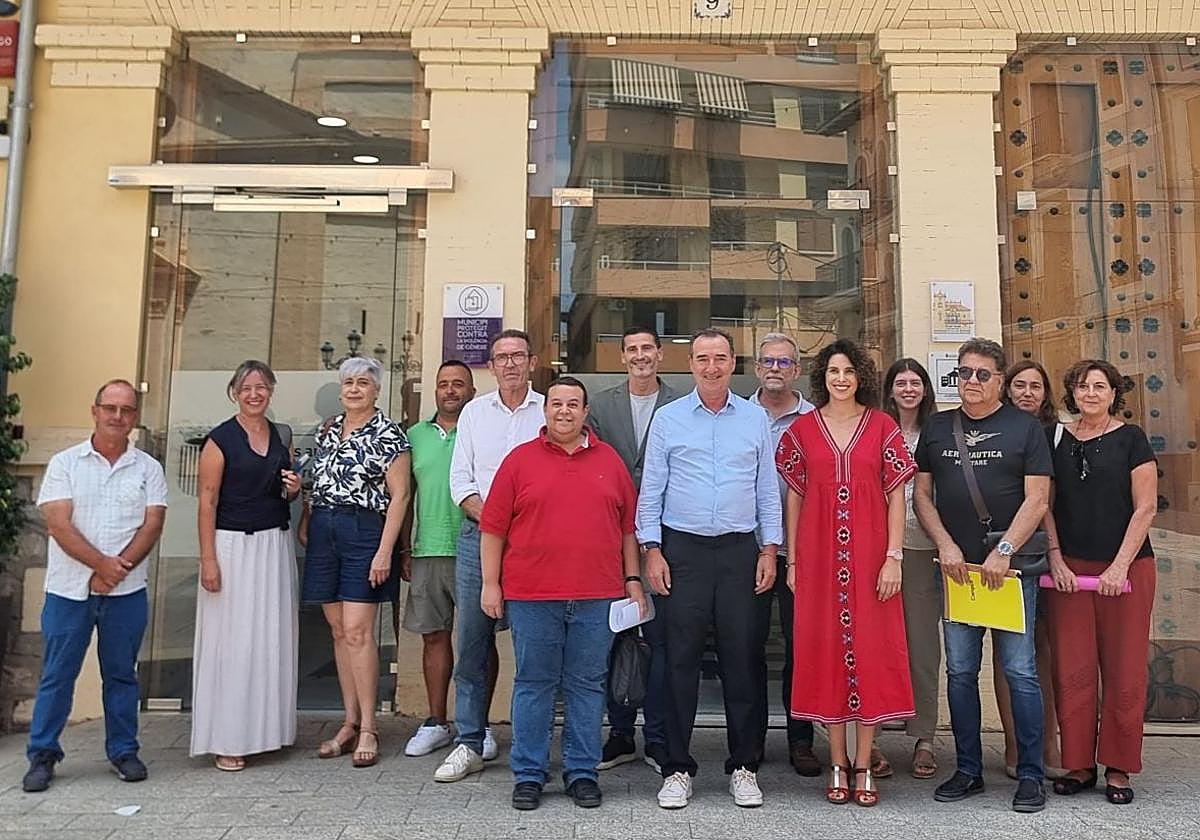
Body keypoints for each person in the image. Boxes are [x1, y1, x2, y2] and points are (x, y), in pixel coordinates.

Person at [480, 377, 649, 811]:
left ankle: (581, 772)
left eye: (574, 404)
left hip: (598, 595)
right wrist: (490, 584)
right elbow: (493, 529)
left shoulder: (609, 461)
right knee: (534, 684)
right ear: (546, 410)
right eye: (557, 403)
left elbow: (628, 529)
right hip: (533, 595)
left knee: (587, 686)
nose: (564, 411)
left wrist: (633, 581)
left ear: (586, 412)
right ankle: (530, 774)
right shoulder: (519, 462)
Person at [637, 327, 782, 810]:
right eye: (702, 358)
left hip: (741, 551)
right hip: (683, 552)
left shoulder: (755, 419)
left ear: (732, 362)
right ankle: (678, 768)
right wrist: (652, 549)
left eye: (720, 358)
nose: (712, 366)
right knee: (679, 660)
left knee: (744, 659)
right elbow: (651, 489)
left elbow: (766, 489)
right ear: (691, 363)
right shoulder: (670, 418)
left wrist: (769, 550)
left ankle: (744, 765)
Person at [914, 337, 1052, 814]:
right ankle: (968, 769)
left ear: (999, 381)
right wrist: (946, 545)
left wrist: (1006, 550)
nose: (970, 382)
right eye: (963, 373)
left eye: (981, 375)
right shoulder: (936, 427)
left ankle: (1031, 775)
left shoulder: (1025, 428)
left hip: (1008, 572)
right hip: (958, 572)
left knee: (1020, 670)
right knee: (960, 671)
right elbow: (922, 496)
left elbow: (1037, 499)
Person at [776, 339, 916, 807]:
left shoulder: (882, 427)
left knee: (873, 654)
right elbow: (794, 497)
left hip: (872, 559)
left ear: (861, 377)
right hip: (817, 561)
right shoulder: (802, 430)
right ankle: (835, 760)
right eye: (833, 371)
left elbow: (897, 494)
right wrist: (793, 561)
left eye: (849, 371)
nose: (841, 379)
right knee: (826, 656)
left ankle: (864, 760)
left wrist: (893, 556)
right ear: (822, 377)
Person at [22, 379, 168, 793]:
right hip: (69, 590)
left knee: (122, 675)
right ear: (95, 410)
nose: (118, 417)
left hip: (126, 591)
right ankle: (43, 755)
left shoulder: (147, 468)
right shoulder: (65, 463)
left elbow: (152, 523)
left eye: (126, 410)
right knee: (57, 675)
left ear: (135, 417)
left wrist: (116, 571)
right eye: (110, 408)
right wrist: (100, 565)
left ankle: (123, 751)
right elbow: (58, 523)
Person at [1043, 360, 1157, 805]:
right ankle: (1078, 764)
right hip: (1069, 570)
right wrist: (1055, 559)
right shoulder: (1056, 439)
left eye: (1099, 386)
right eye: (1082, 386)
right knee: (1071, 668)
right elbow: (1045, 504)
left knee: (1125, 669)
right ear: (1072, 392)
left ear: (1114, 393)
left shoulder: (1132, 439)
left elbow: (1144, 508)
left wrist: (1118, 567)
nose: (1090, 393)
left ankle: (1119, 766)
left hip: (1127, 570)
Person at [436, 329, 544, 782]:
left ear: (532, 363)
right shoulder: (476, 413)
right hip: (479, 539)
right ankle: (470, 741)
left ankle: (530, 747)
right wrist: (498, 522)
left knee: (531, 646)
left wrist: (522, 527)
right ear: (492, 366)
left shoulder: (549, 409)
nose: (511, 364)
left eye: (518, 356)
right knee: (473, 646)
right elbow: (461, 482)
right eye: (502, 357)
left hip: (537, 545)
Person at [191, 361, 301, 771]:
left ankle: (267, 733)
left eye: (261, 387)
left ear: (270, 391)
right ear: (234, 391)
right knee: (232, 644)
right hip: (232, 547)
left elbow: (282, 490)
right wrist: (208, 559)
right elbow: (207, 501)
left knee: (269, 639)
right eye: (246, 387)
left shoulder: (279, 435)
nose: (254, 394)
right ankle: (227, 739)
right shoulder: (219, 440)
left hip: (273, 545)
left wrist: (293, 491)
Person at [303, 356, 411, 769]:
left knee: (358, 631)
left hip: (365, 531)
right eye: (348, 382)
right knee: (337, 629)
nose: (353, 389)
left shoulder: (390, 435)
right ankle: (348, 722)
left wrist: (385, 550)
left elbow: (400, 496)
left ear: (376, 389)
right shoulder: (328, 428)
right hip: (325, 528)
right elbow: (319, 479)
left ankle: (370, 726)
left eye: (362, 382)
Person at [587, 326, 680, 773]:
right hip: (610, 538)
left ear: (660, 355)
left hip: (667, 540)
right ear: (622, 356)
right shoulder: (600, 405)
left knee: (659, 641)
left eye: (648, 348)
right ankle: (620, 732)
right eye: (632, 350)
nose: (641, 355)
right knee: (615, 636)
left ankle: (659, 737)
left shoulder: (682, 404)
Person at [747, 332, 821, 777]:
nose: (775, 369)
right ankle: (750, 738)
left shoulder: (815, 419)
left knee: (802, 647)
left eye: (785, 362)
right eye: (768, 362)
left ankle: (801, 739)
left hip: (803, 553)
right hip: (749, 549)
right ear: (757, 368)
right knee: (747, 648)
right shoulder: (736, 414)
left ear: (797, 370)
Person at [399, 360, 476, 757]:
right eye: (443, 384)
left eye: (458, 384)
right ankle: (435, 721)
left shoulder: (481, 430)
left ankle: (474, 725)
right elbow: (403, 497)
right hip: (428, 549)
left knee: (477, 640)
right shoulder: (413, 437)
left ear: (472, 391)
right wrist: (404, 547)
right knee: (434, 636)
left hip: (474, 547)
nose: (450, 391)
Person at [997, 360, 1065, 780]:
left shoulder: (1059, 436)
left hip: (1051, 554)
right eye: (1018, 385)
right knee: (1009, 654)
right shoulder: (997, 432)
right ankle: (1012, 743)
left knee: (1044, 650)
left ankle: (1049, 742)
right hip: (1006, 556)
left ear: (1046, 393)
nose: (1027, 392)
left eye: (1035, 386)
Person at [882, 357, 940, 780]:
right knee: (880, 644)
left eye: (915, 382)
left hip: (923, 547)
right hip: (879, 550)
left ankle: (924, 736)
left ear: (925, 389)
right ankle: (876, 733)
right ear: (889, 389)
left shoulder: (939, 431)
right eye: (900, 382)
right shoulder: (874, 428)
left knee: (922, 645)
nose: (907, 389)